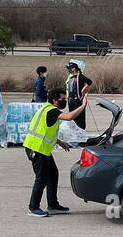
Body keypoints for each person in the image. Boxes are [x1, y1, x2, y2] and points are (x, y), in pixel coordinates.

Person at [24, 89, 88, 217]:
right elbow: (69, 117)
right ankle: (33, 207)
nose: (64, 101)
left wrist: (60, 142)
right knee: (41, 179)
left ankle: (53, 205)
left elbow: (45, 130)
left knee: (53, 174)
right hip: (36, 148)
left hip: (43, 149)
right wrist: (83, 105)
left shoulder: (47, 109)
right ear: (54, 100)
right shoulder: (51, 111)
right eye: (62, 99)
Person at [65, 60, 92, 128]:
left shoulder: (80, 76)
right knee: (72, 116)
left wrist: (83, 89)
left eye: (69, 68)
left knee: (80, 117)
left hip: (78, 99)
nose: (68, 70)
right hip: (71, 100)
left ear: (74, 68)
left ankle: (81, 130)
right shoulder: (71, 77)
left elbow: (89, 82)